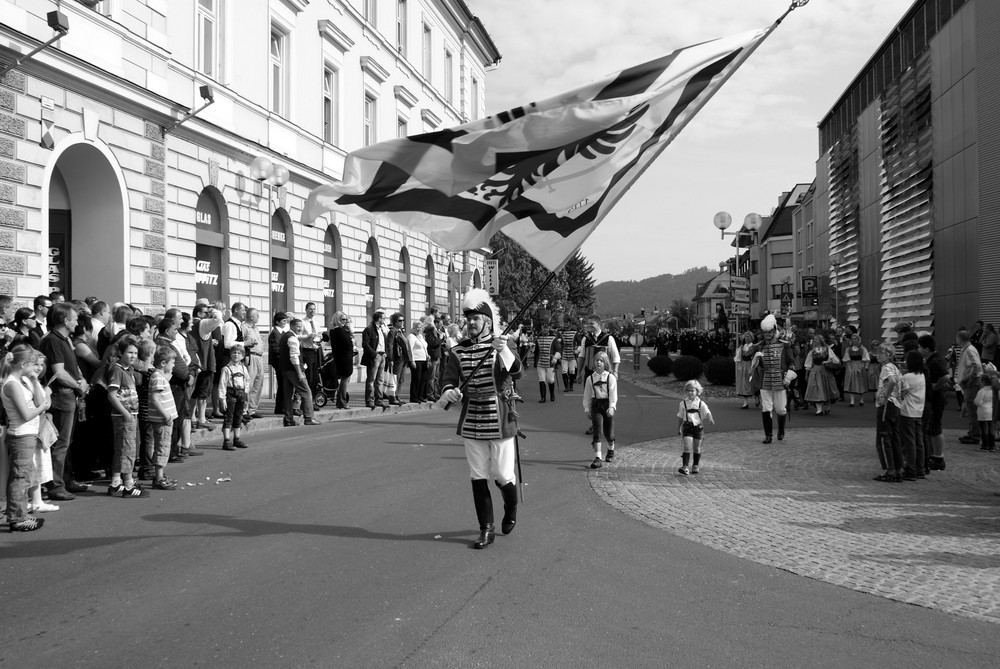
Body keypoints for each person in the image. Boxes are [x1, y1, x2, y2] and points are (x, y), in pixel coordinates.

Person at [439, 289, 523, 550]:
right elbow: (449, 379)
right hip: (472, 417)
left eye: (476, 318)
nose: (471, 323)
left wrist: (504, 351)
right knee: (477, 475)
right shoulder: (459, 350)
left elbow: (517, 372)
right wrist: (448, 391)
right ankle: (486, 528)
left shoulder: (502, 343)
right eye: (468, 319)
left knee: (502, 474)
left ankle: (511, 508)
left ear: (488, 321)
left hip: (499, 416)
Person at [38, 302, 90, 501]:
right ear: (65, 320)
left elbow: (73, 366)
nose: (77, 322)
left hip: (70, 394)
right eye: (75, 318)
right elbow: (59, 373)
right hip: (62, 395)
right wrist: (78, 385)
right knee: (60, 442)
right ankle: (55, 485)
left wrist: (81, 380)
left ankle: (67, 480)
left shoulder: (64, 339)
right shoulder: (52, 340)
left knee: (67, 442)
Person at [3, 345, 52, 531]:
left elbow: (39, 402)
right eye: (32, 364)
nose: (35, 368)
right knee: (20, 477)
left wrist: (33, 380)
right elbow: (26, 413)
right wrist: (42, 408)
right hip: (21, 434)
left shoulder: (22, 380)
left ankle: (20, 513)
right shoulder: (12, 384)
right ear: (23, 363)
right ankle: (17, 518)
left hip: (28, 434)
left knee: (24, 475)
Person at [104, 335, 148, 498]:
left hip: (130, 414)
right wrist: (125, 413)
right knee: (128, 449)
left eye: (135, 353)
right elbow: (112, 395)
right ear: (121, 353)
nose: (133, 356)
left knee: (122, 448)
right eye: (129, 352)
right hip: (123, 416)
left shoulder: (128, 370)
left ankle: (116, 482)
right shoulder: (117, 370)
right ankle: (129, 484)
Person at [750, 314, 796, 443]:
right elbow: (752, 360)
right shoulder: (760, 346)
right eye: (765, 333)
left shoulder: (784, 345)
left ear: (774, 331)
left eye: (770, 332)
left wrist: (788, 376)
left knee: (781, 409)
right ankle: (768, 435)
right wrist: (755, 359)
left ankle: (781, 430)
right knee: (766, 408)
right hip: (765, 381)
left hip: (780, 380)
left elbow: (791, 362)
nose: (767, 335)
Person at [146, 345, 179, 490]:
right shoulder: (158, 377)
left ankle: (160, 474)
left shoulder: (160, 376)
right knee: (162, 447)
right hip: (162, 419)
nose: (174, 365)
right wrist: (166, 414)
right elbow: (155, 398)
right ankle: (158, 477)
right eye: (172, 363)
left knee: (163, 446)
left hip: (164, 418)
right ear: (163, 363)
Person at [278, 318, 319, 427]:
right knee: (306, 392)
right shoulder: (292, 338)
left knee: (288, 394)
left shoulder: (286, 336)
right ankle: (309, 417)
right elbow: (294, 357)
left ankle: (288, 418)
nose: (300, 329)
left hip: (285, 369)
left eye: (301, 326)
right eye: (298, 326)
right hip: (293, 370)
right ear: (292, 326)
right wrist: (300, 372)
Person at [917, 334, 949, 471]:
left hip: (936, 398)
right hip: (935, 397)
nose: (918, 350)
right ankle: (934, 455)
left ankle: (938, 457)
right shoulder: (934, 359)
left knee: (935, 428)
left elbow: (946, 376)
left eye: (920, 347)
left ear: (926, 348)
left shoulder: (934, 361)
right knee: (932, 428)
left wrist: (936, 386)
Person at [873, 344, 903, 482]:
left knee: (884, 437)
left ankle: (889, 470)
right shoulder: (896, 368)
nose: (878, 355)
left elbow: (891, 381)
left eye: (882, 353)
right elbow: (904, 387)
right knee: (894, 437)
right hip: (896, 404)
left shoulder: (886, 368)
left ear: (889, 355)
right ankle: (898, 469)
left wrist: (885, 396)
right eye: (877, 353)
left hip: (887, 404)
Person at [582, 350, 617, 468]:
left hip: (607, 405)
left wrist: (612, 407)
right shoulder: (590, 379)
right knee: (597, 431)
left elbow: (613, 394)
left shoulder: (610, 377)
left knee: (609, 434)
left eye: (601, 361)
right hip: (596, 405)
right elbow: (587, 395)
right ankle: (598, 457)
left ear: (605, 363)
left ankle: (611, 448)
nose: (599, 363)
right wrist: (587, 409)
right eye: (597, 360)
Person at [675, 379, 714, 475]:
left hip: (698, 428)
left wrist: (710, 418)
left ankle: (695, 465)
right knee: (687, 447)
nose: (690, 392)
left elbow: (708, 412)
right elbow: (680, 416)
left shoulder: (701, 403)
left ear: (697, 391)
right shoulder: (683, 403)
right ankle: (685, 466)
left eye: (692, 390)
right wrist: (679, 427)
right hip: (687, 427)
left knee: (697, 448)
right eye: (688, 390)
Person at [898, 350, 927, 481]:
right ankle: (920, 468)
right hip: (918, 410)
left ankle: (911, 468)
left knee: (909, 441)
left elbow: (901, 394)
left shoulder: (907, 377)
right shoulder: (921, 375)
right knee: (918, 441)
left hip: (907, 411)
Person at [218, 342, 250, 450]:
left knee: (238, 417)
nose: (236, 355)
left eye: (239, 353)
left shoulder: (243, 368)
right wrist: (222, 399)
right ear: (230, 354)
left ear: (242, 356)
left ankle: (237, 438)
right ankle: (226, 441)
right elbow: (222, 384)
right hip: (230, 394)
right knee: (229, 417)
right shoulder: (226, 369)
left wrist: (246, 394)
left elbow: (247, 381)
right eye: (234, 353)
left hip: (241, 394)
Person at [955, 328, 982, 445]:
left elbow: (976, 366)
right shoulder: (968, 349)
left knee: (972, 410)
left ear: (959, 338)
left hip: (972, 384)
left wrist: (969, 381)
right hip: (971, 383)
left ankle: (975, 435)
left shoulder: (969, 350)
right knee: (971, 409)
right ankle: (973, 432)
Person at [804, 333, 840, 416]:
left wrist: (827, 361)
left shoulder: (827, 349)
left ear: (820, 340)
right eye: (814, 339)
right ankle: (819, 409)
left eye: (816, 339)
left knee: (826, 389)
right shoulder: (812, 351)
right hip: (815, 371)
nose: (815, 341)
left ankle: (828, 406)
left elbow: (835, 360)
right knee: (815, 389)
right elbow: (808, 364)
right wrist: (806, 374)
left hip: (825, 371)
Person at [361, 308, 389, 409]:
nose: (385, 320)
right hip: (375, 356)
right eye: (384, 318)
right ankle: (369, 400)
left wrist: (385, 352)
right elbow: (365, 344)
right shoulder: (369, 329)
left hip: (382, 356)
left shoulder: (381, 329)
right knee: (371, 379)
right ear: (379, 319)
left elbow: (383, 342)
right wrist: (374, 354)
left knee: (380, 380)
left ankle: (379, 399)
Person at [241, 308, 265, 419]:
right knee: (249, 384)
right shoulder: (244, 327)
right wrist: (245, 356)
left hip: (259, 357)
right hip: (251, 356)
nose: (258, 317)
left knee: (258, 383)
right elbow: (241, 343)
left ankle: (252, 409)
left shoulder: (256, 328)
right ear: (251, 317)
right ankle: (244, 409)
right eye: (257, 315)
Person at [328, 311, 355, 409]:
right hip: (344, 359)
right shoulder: (339, 331)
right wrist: (350, 334)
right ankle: (342, 401)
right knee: (345, 379)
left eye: (346, 319)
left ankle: (340, 400)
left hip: (341, 357)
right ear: (338, 319)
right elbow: (348, 343)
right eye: (343, 319)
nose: (345, 321)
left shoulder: (335, 330)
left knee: (345, 379)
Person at [268, 311, 290, 415]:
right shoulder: (274, 333)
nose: (285, 322)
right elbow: (275, 348)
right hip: (278, 362)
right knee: (281, 384)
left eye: (286, 320)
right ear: (277, 321)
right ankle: (280, 407)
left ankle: (283, 406)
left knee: (283, 385)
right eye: (283, 320)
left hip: (283, 361)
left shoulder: (282, 332)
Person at [387, 312, 412, 405]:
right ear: (394, 322)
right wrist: (391, 359)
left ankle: (397, 395)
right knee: (395, 378)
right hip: (397, 358)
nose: (402, 322)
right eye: (399, 321)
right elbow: (390, 345)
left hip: (403, 358)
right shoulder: (393, 331)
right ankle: (392, 397)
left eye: (403, 320)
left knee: (401, 379)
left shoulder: (401, 331)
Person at [300, 302, 323, 398]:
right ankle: (307, 399)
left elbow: (319, 335)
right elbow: (298, 336)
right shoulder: (302, 322)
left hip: (315, 350)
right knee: (309, 375)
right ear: (306, 310)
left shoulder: (316, 323)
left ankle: (313, 398)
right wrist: (308, 336)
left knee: (315, 376)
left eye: (314, 309)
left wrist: (320, 338)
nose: (312, 311)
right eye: (310, 309)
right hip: (307, 350)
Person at [534, 327, 563, 403]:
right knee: (541, 379)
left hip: (550, 362)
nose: (545, 330)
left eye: (546, 329)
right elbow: (536, 351)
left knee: (550, 380)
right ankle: (543, 397)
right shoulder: (538, 338)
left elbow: (559, 349)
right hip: (540, 362)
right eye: (543, 328)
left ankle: (552, 394)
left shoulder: (553, 338)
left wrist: (555, 358)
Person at [842, 333, 870, 407]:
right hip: (851, 365)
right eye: (852, 339)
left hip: (860, 365)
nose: (854, 340)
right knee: (851, 382)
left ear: (858, 339)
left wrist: (864, 366)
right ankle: (852, 401)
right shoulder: (848, 349)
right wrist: (848, 366)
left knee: (860, 382)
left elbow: (866, 358)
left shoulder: (862, 348)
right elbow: (846, 358)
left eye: (855, 339)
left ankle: (861, 399)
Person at [734, 331, 757, 409]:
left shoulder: (754, 347)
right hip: (744, 366)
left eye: (748, 337)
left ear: (752, 338)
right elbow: (738, 357)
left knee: (752, 382)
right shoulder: (742, 347)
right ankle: (745, 402)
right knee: (743, 383)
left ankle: (757, 397)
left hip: (751, 365)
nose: (746, 338)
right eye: (745, 337)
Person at [407, 321, 428, 403]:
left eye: (420, 327)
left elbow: (424, 347)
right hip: (416, 360)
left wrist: (427, 355)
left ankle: (421, 396)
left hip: (424, 359)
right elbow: (410, 349)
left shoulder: (420, 336)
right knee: (416, 379)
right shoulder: (411, 336)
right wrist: (412, 360)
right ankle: (414, 397)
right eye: (418, 327)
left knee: (423, 379)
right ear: (414, 327)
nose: (419, 329)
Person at [974, 372, 995, 452]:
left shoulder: (982, 391)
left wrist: (974, 401)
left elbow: (978, 402)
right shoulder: (993, 390)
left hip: (983, 411)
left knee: (984, 429)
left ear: (983, 381)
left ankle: (985, 445)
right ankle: (992, 445)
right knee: (991, 429)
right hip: (992, 411)